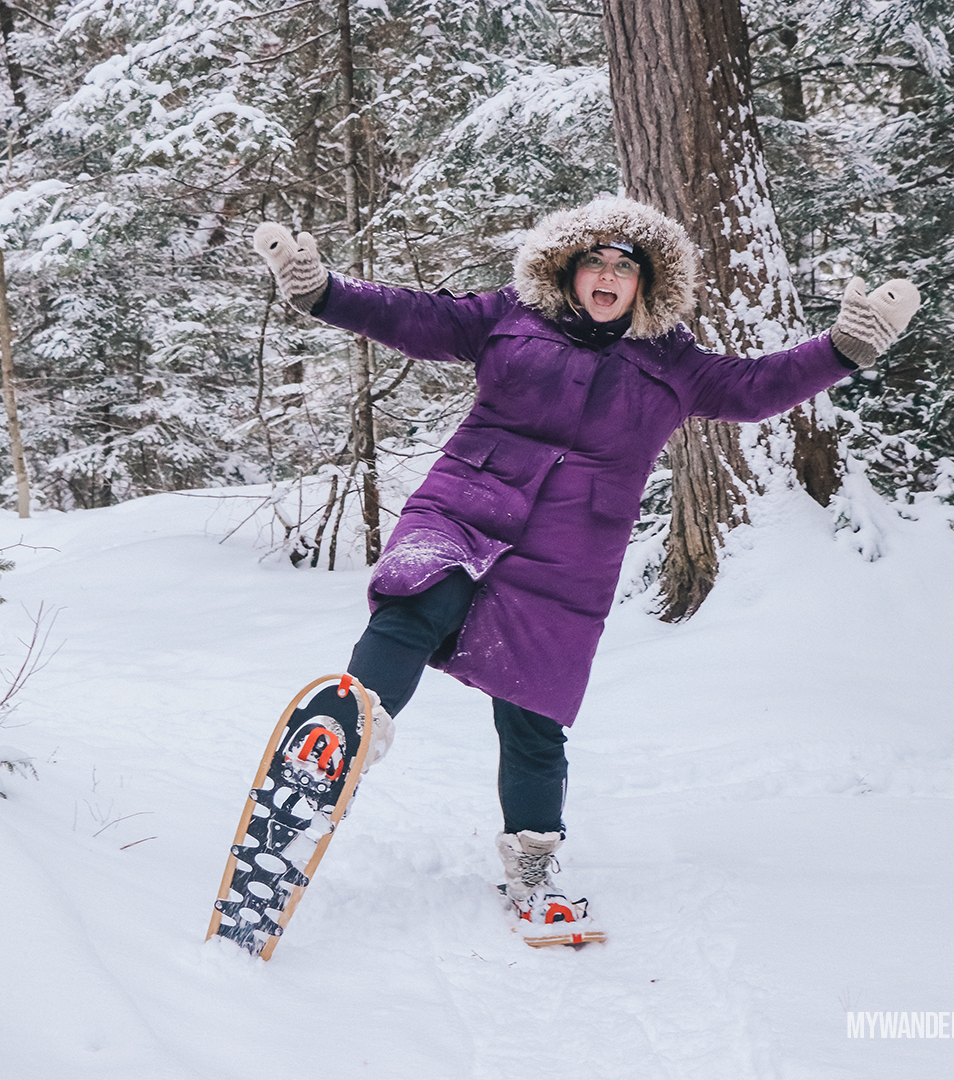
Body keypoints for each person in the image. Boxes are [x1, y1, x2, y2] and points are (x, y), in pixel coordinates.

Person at [254, 197, 919, 943]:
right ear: (567, 271)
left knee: (535, 709)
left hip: (573, 547)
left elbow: (757, 389)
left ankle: (532, 865)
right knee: (419, 595)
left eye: (623, 267)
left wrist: (844, 349)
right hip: (466, 499)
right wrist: (322, 292)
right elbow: (414, 317)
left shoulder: (677, 363)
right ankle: (343, 740)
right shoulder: (507, 315)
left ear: (646, 283)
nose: (606, 276)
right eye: (593, 262)